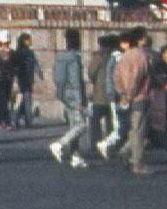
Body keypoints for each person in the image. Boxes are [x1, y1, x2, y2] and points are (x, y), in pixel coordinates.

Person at [112, 26, 152, 175]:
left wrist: (122, 94)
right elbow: (137, 77)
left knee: (134, 129)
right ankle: (137, 162)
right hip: (139, 96)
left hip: (126, 96)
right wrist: (130, 94)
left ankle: (126, 151)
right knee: (139, 130)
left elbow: (116, 77)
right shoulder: (141, 56)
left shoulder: (124, 56)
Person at [49, 29, 90, 169]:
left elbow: (56, 76)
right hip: (74, 95)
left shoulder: (60, 57)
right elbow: (76, 80)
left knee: (73, 125)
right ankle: (60, 144)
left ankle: (76, 156)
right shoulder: (74, 58)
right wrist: (79, 102)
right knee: (82, 124)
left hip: (64, 94)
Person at [97, 31, 131, 160]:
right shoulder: (118, 57)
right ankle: (107, 143)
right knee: (122, 124)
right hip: (119, 95)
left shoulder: (113, 57)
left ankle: (111, 145)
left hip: (114, 94)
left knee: (120, 123)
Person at [86, 34, 115, 150]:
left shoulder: (99, 56)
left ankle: (95, 143)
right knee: (111, 120)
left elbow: (91, 73)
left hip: (100, 93)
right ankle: (110, 143)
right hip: (114, 93)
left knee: (95, 120)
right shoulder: (116, 56)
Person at [12, 32, 42, 127]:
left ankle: (19, 120)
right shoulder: (23, 53)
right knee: (25, 100)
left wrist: (39, 72)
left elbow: (35, 64)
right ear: (24, 41)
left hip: (25, 79)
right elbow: (15, 66)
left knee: (24, 100)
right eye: (29, 39)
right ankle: (25, 121)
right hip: (23, 80)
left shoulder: (25, 52)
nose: (30, 41)